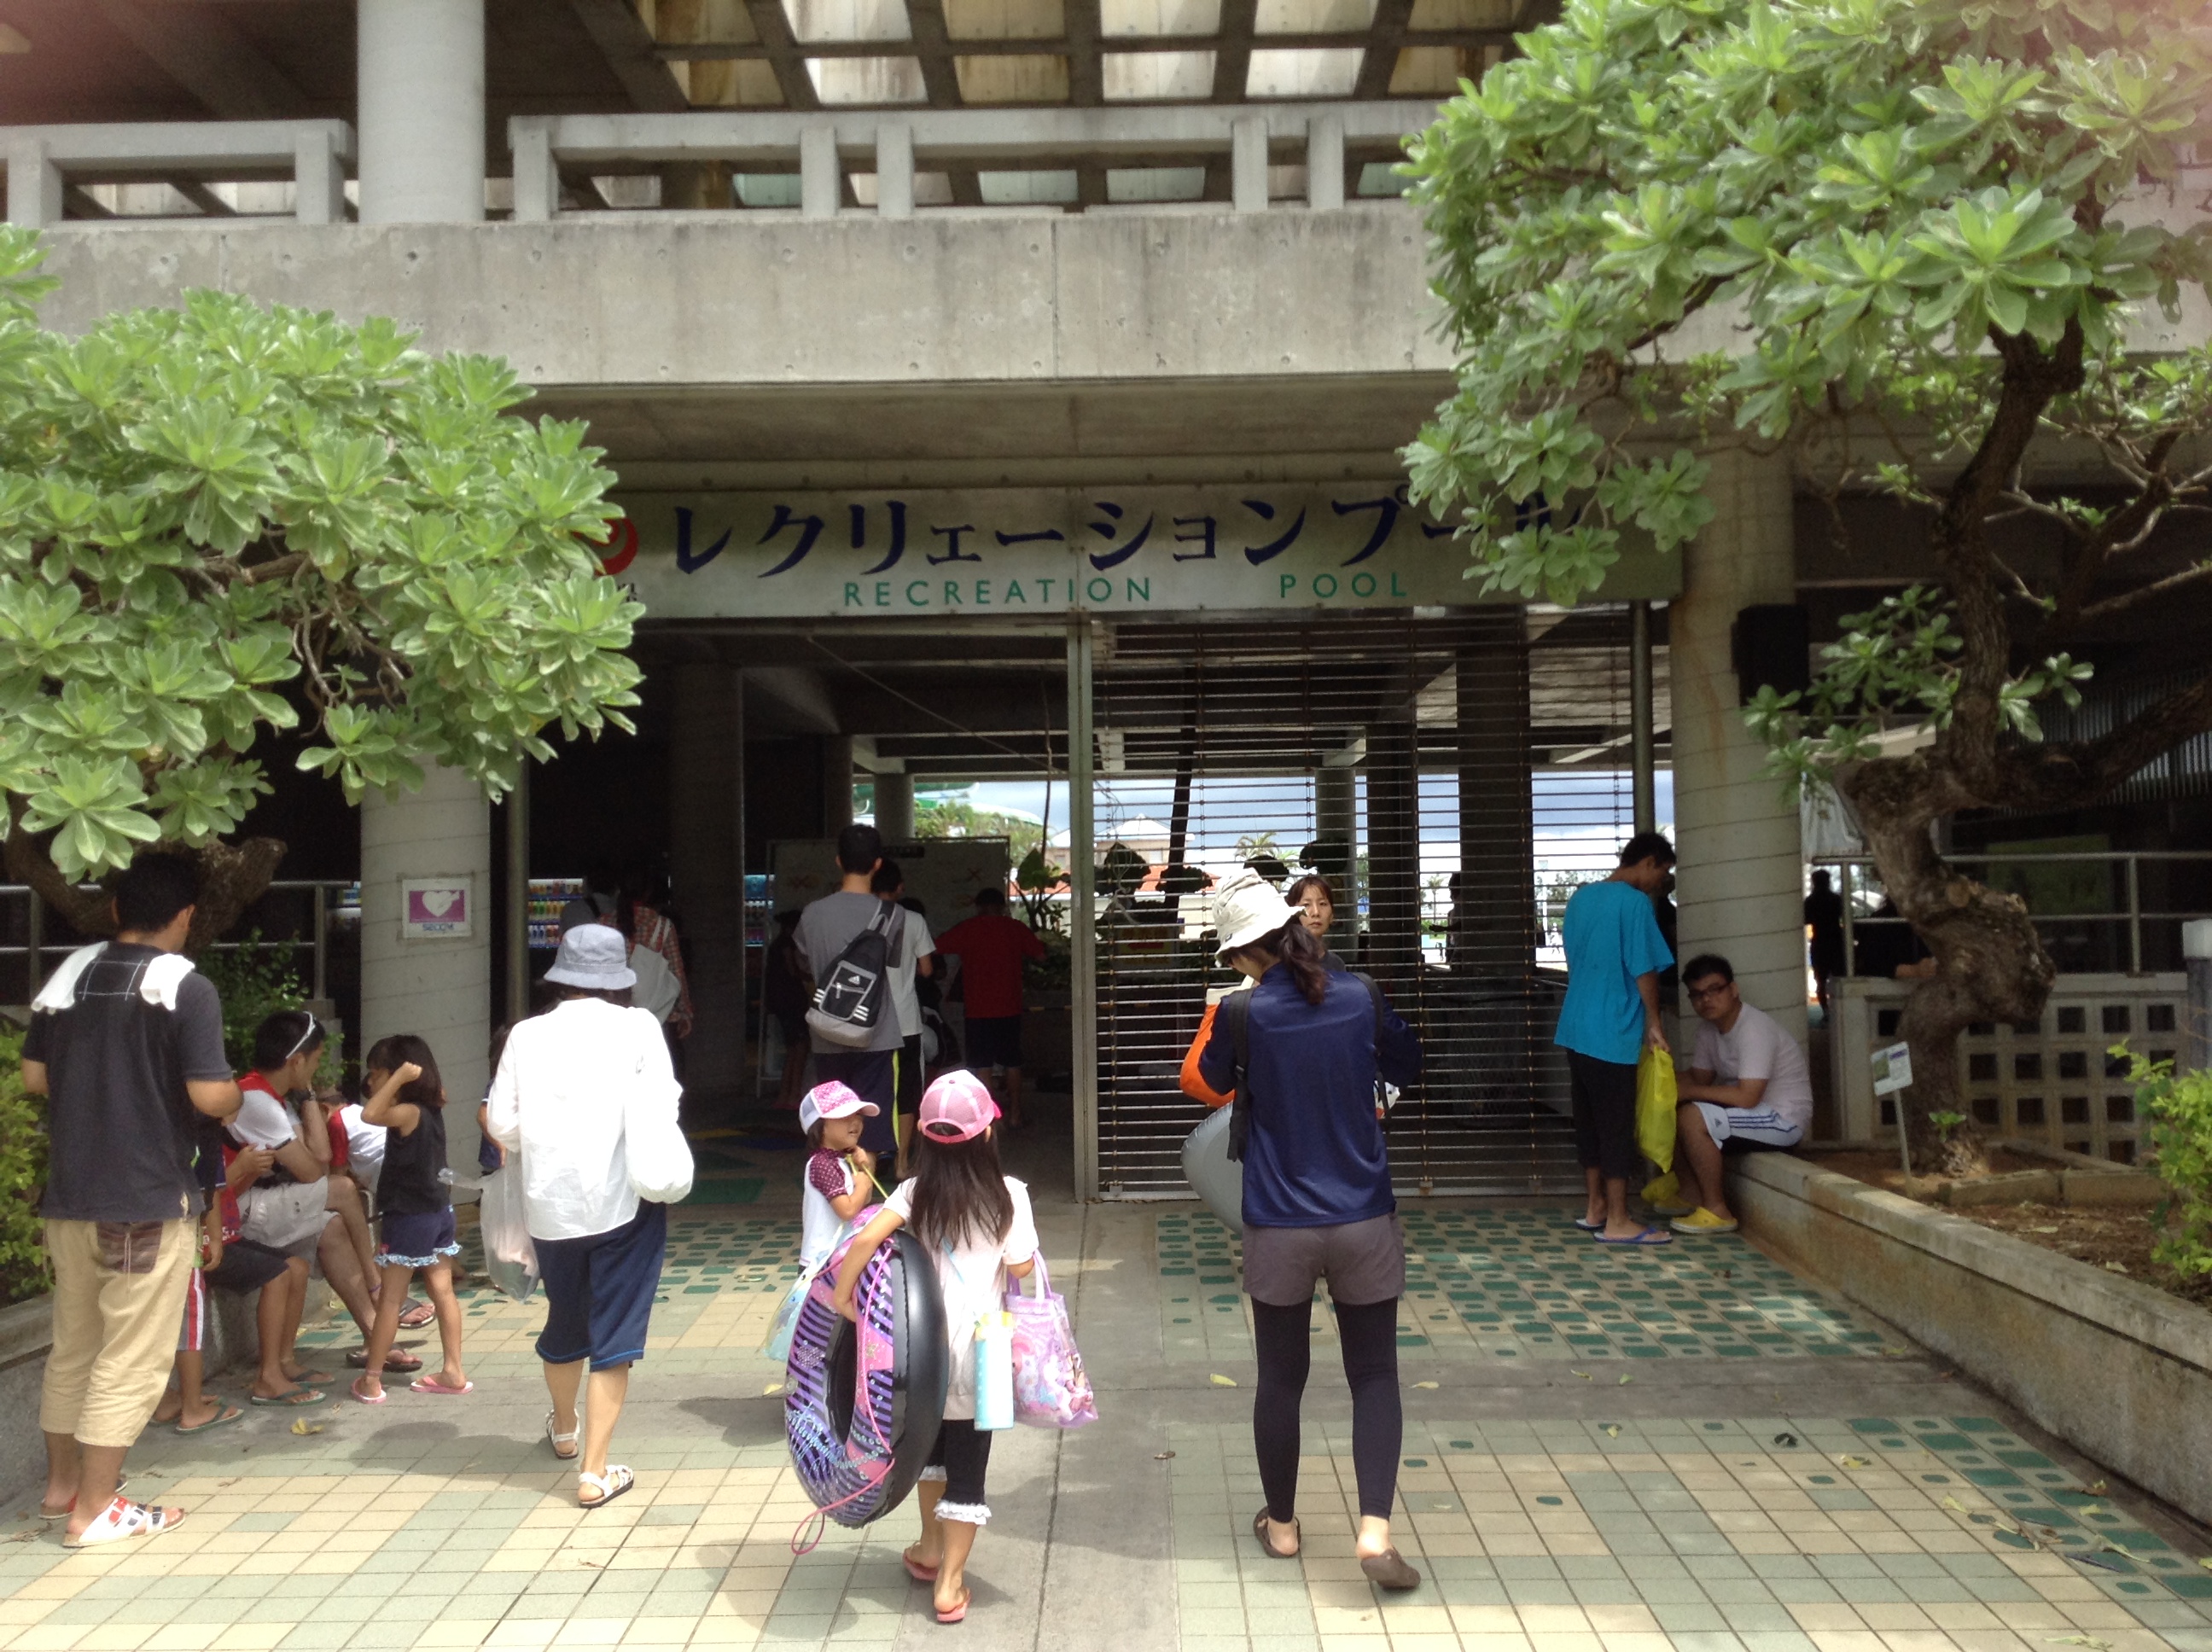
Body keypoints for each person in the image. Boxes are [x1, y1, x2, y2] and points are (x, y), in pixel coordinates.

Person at [1193, 871, 1424, 1591]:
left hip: (1279, 1225)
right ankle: (1374, 1531)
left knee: (1282, 1379)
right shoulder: (1363, 996)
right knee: (1376, 1375)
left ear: (1241, 954)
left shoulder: (1243, 1012)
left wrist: (1232, 1014)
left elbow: (1209, 1078)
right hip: (1363, 1216)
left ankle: (1285, 1527)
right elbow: (1408, 1064)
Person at [23, 855, 242, 1548]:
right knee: (131, 1356)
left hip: (71, 1197)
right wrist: (234, 1097)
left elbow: (34, 1077)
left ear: (116, 910)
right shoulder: (187, 988)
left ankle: (61, 1490)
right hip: (145, 1198)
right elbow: (210, 1097)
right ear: (185, 918)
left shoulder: (67, 980)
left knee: (75, 1348)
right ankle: (96, 1510)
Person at [486, 923, 684, 1510]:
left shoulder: (525, 1035)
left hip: (550, 1207)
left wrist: (547, 1143)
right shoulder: (639, 1026)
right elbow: (667, 1100)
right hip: (626, 1202)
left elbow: (500, 1122)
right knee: (615, 1337)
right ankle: (595, 1473)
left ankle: (566, 1427)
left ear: (563, 975)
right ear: (617, 978)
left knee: (566, 1319)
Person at [831, 1072, 1039, 1626]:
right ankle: (949, 1582)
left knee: (928, 1453)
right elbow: (1021, 1268)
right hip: (980, 1360)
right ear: (988, 1134)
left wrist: (844, 1298)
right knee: (968, 1471)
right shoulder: (1009, 1195)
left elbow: (864, 1239)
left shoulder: (913, 1192)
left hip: (919, 1361)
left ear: (925, 1137)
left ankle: (927, 1545)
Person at [1556, 832, 1677, 1247]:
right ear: (1648, 861)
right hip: (1613, 1029)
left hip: (1575, 1025)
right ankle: (1620, 1220)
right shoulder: (1635, 903)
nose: (1662, 881)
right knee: (1616, 1127)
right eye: (1662, 871)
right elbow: (1644, 967)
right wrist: (1654, 1022)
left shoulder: (1581, 898)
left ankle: (1596, 1208)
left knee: (1588, 1122)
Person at [352, 1036, 470, 1401]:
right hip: (439, 1212)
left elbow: (369, 1114)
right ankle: (453, 1370)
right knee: (443, 1290)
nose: (371, 1083)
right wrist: (401, 1078)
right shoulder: (434, 1106)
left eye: (376, 1075)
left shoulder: (409, 1111)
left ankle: (372, 1380)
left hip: (409, 1218)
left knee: (391, 1299)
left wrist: (399, 1078)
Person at [1662, 955, 1814, 1235]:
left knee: (1692, 1117)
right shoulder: (1709, 1029)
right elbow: (1698, 1078)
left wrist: (1687, 1091)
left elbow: (1747, 1097)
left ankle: (1717, 1210)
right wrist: (1657, 1082)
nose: (1706, 1000)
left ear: (1733, 990)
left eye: (1714, 990)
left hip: (1781, 1118)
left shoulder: (1754, 1028)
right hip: (1753, 1114)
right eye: (1697, 995)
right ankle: (1689, 1193)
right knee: (1672, 1104)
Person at [795, 824, 909, 1157]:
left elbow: (804, 959)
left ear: (838, 861)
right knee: (870, 1124)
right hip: (877, 1033)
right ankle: (864, 1197)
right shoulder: (894, 915)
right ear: (878, 864)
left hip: (827, 1032)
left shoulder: (812, 914)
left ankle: (834, 1191)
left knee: (832, 1120)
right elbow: (893, 962)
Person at [149, 1137, 241, 1436]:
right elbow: (206, 1191)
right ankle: (193, 1407)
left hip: (135, 1233)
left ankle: (164, 1399)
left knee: (151, 1320)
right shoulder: (201, 1134)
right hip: (179, 1235)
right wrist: (213, 1237)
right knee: (189, 1322)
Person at [934, 887, 1045, 1129]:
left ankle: (989, 1120)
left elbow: (936, 946)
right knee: (1012, 1062)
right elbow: (1040, 955)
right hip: (1010, 1008)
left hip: (978, 1010)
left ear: (978, 907)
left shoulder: (968, 928)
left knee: (982, 1065)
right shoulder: (1015, 928)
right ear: (1003, 906)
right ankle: (1015, 1114)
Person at [871, 860, 936, 1177]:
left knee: (869, 1089)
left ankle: (868, 1162)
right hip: (905, 1020)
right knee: (907, 1092)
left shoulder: (859, 918)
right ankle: (901, 1164)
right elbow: (927, 969)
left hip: (865, 1022)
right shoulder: (913, 919)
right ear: (899, 888)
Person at [620, 863, 694, 1040]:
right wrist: (685, 1013)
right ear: (649, 892)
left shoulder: (604, 922)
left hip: (616, 1017)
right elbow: (677, 973)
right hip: (656, 1019)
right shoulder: (662, 926)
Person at [764, 910, 812, 1112]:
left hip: (781, 1003)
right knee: (800, 1048)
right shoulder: (787, 945)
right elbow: (795, 972)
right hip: (793, 1001)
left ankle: (785, 1095)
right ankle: (793, 1095)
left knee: (793, 1049)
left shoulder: (776, 944)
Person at [1855, 897, 1936, 980]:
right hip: (1883, 987)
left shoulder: (1929, 922)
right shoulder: (1879, 922)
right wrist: (1913, 970)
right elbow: (1869, 965)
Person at [1284, 872, 1351, 971]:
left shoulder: (1336, 964)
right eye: (1306, 905)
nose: (1316, 912)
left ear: (1332, 915)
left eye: (1323, 904)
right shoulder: (1278, 963)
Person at [1805, 870, 1845, 1011]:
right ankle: (1840, 1009)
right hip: (1836, 942)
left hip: (1819, 942)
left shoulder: (1810, 901)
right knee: (1840, 978)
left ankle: (1826, 1011)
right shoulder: (1836, 899)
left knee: (1820, 981)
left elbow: (1805, 919)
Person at [557, 858, 620, 936]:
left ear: (586, 884)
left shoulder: (571, 909)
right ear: (616, 888)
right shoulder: (624, 912)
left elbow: (563, 939)